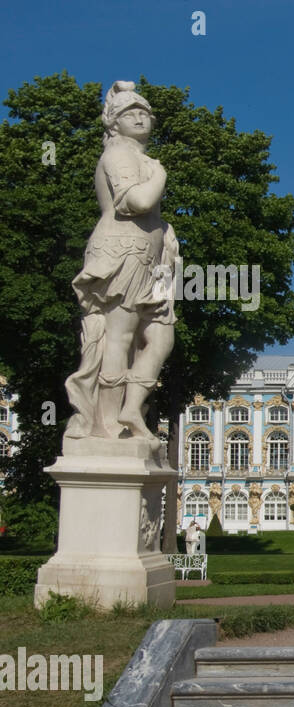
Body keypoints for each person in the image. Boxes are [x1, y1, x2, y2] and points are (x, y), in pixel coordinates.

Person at [66, 81, 177, 448]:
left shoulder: (138, 156)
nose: (141, 117)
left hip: (153, 259)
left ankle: (131, 409)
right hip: (123, 251)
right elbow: (138, 201)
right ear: (114, 122)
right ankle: (108, 428)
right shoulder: (118, 154)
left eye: (145, 112)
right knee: (120, 337)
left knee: (161, 336)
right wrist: (160, 173)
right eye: (132, 112)